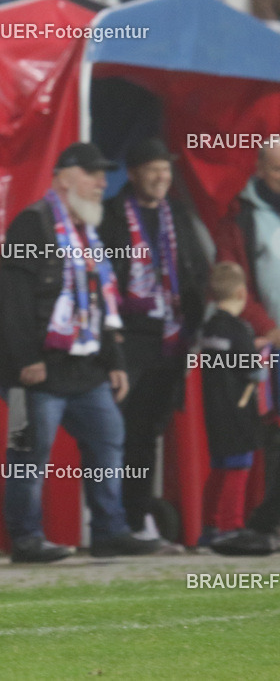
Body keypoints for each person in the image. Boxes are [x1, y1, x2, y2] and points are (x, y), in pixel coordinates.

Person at [0, 142, 169, 563]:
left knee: (109, 438)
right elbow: (12, 299)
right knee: (28, 453)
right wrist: (27, 358)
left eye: (104, 174)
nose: (103, 182)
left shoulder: (87, 230)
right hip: (31, 370)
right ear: (64, 177)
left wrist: (115, 362)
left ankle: (109, 531)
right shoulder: (32, 224)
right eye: (93, 173)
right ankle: (26, 539)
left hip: (84, 369)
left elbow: (101, 302)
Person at [98, 138, 208, 546]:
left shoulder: (176, 214)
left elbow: (196, 267)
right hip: (128, 339)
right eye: (153, 168)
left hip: (170, 340)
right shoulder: (110, 216)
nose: (162, 176)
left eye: (167, 168)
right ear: (133, 173)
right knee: (115, 434)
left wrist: (194, 322)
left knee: (147, 435)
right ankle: (108, 521)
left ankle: (137, 516)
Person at [210, 143, 280, 556]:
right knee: (270, 439)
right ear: (259, 169)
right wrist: (270, 330)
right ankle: (257, 525)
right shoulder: (241, 218)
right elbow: (231, 282)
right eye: (275, 169)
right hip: (266, 347)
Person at [199, 263, 264, 545]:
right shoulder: (239, 330)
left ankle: (210, 526)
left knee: (220, 467)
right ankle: (231, 526)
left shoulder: (210, 328)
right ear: (242, 292)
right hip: (238, 410)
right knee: (238, 466)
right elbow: (250, 367)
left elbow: (223, 358)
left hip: (214, 408)